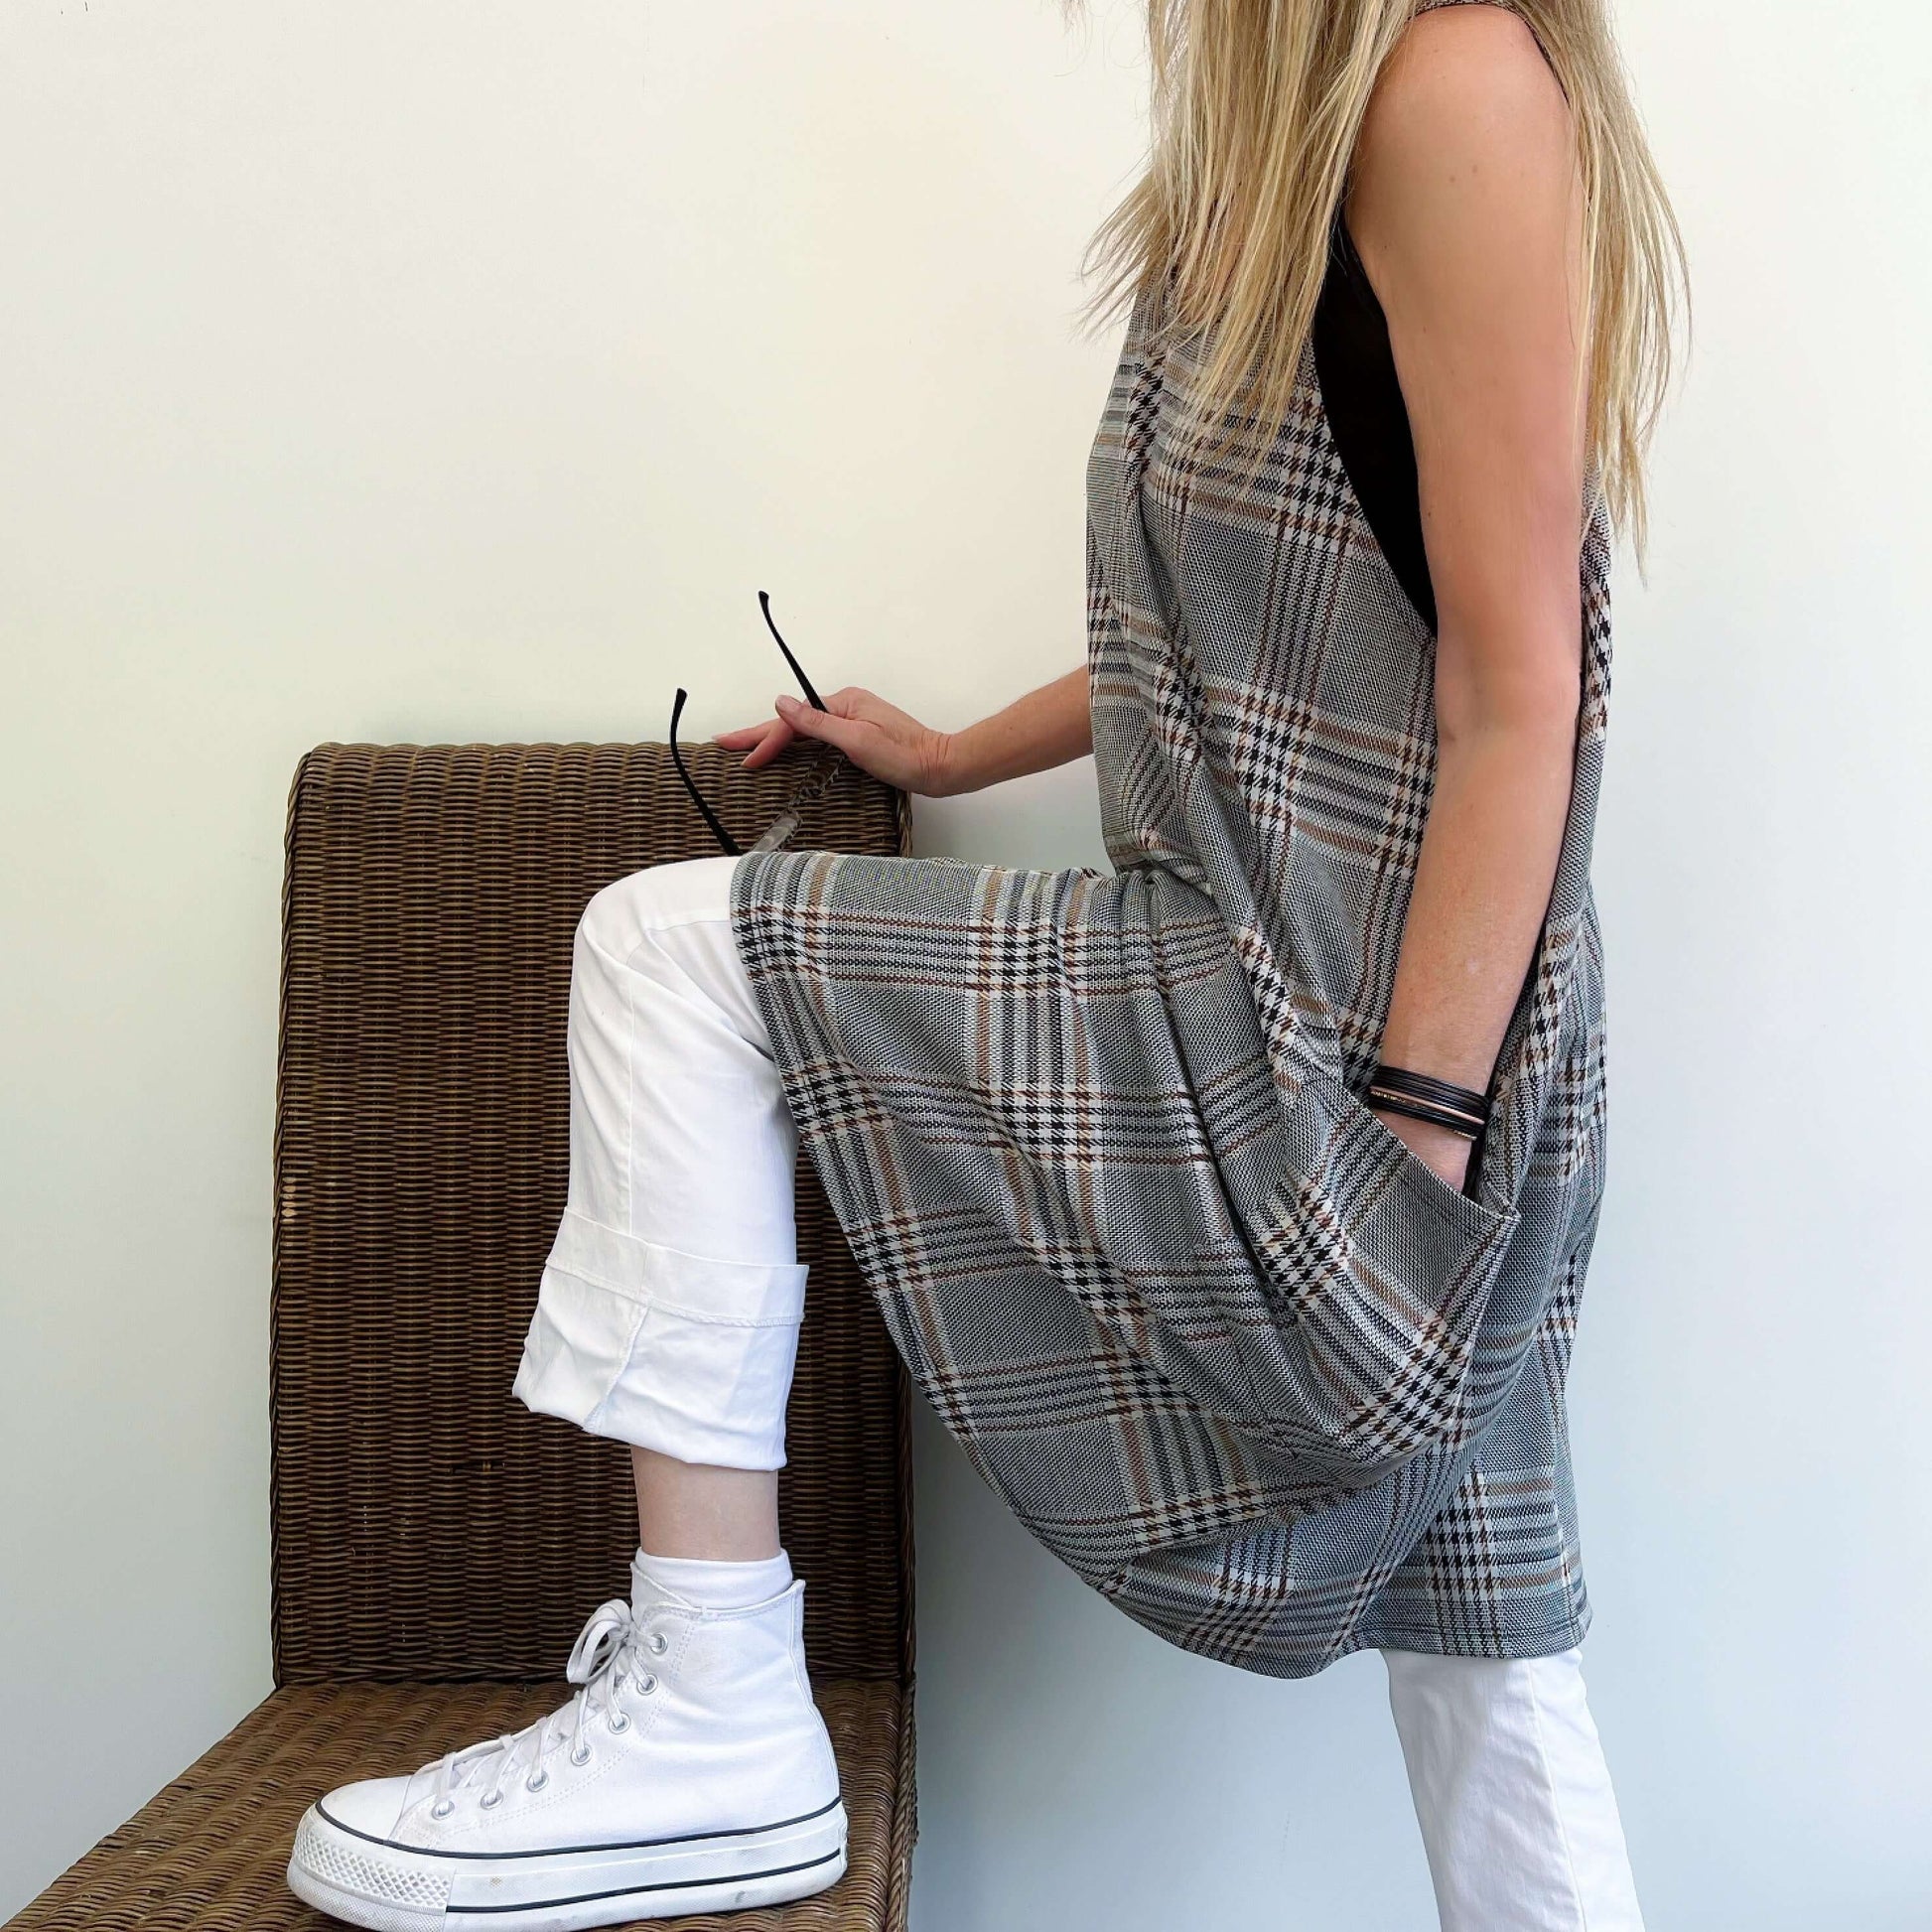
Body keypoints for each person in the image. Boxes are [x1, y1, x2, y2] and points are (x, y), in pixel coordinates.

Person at [285, 1, 1685, 1927]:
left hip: (1348, 1039)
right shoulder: (1287, 152)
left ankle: (717, 1710)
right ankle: (711, 1718)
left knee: (669, 950)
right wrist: (950, 750)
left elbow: (1520, 687)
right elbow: (1268, 626)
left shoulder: (1448, 84)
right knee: (1486, 1652)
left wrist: (1413, 1136)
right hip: (1374, 1014)